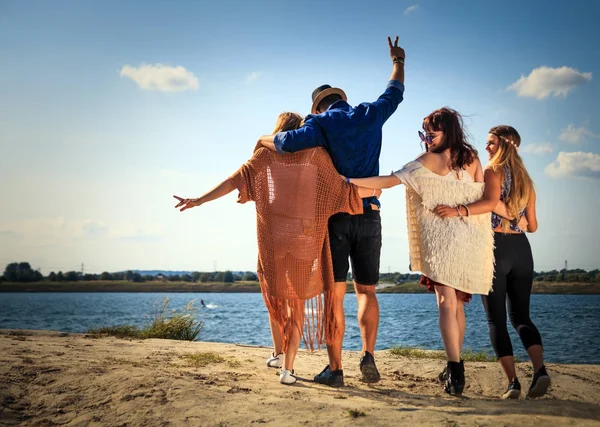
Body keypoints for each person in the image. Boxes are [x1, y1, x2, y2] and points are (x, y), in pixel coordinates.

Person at [174, 112, 376, 385]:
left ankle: (279, 353)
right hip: (304, 239)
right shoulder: (316, 156)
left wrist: (199, 200)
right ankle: (288, 368)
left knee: (276, 300)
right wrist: (376, 188)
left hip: (273, 240)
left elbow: (233, 181)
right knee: (296, 307)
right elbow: (339, 189)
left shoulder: (264, 157)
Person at [254, 36, 405, 387]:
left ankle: (335, 370)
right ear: (342, 99)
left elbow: (285, 142)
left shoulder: (319, 125)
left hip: (334, 217)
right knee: (366, 291)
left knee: (334, 295)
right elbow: (394, 92)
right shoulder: (369, 113)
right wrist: (398, 60)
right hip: (370, 214)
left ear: (318, 106)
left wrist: (263, 139)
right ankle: (367, 353)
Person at [348, 108, 497, 396]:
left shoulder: (428, 160)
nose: (426, 139)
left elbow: (391, 181)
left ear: (447, 131)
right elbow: (479, 197)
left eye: (431, 133)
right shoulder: (473, 158)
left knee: (446, 303)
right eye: (423, 134)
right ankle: (454, 363)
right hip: (470, 240)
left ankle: (456, 371)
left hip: (443, 242)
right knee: (457, 305)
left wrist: (351, 181)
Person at [439, 125, 549, 399]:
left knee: (496, 319)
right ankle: (540, 370)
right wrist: (517, 218)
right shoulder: (527, 181)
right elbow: (533, 226)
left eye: (491, 142)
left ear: (504, 144)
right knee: (522, 317)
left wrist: (459, 210)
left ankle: (512, 383)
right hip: (523, 250)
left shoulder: (492, 171)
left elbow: (489, 202)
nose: (486, 147)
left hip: (495, 248)